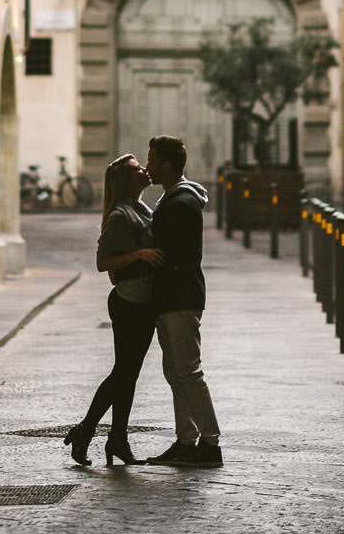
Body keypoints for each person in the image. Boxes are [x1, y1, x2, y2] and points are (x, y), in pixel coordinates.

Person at [64, 153, 165, 467]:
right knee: (123, 372)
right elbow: (102, 263)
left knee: (129, 374)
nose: (144, 171)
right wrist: (140, 254)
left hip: (143, 302)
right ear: (125, 179)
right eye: (137, 170)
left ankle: (117, 438)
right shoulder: (120, 214)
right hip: (128, 304)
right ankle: (87, 429)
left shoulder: (141, 207)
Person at [144, 135, 223, 468]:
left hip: (180, 298)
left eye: (151, 160)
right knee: (176, 373)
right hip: (171, 298)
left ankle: (210, 443)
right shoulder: (172, 198)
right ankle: (186, 442)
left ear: (166, 164)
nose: (148, 167)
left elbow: (169, 253)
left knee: (188, 373)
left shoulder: (181, 202)